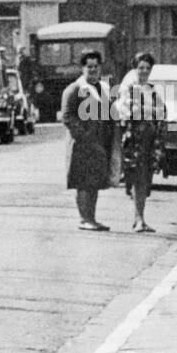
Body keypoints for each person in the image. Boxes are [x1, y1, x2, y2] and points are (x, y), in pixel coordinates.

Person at [61, 49, 116, 231]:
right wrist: (84, 136)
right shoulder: (74, 89)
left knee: (95, 182)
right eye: (88, 66)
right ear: (82, 68)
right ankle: (85, 219)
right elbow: (67, 117)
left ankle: (92, 218)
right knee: (83, 182)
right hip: (81, 145)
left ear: (100, 68)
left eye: (95, 66)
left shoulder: (104, 88)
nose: (92, 70)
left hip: (99, 144)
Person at [117, 51, 167, 232]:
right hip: (134, 140)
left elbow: (162, 111)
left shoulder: (152, 90)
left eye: (147, 68)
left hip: (150, 140)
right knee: (137, 178)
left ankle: (141, 218)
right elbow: (126, 111)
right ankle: (138, 219)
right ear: (134, 69)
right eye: (141, 68)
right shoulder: (128, 88)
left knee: (146, 179)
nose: (144, 71)